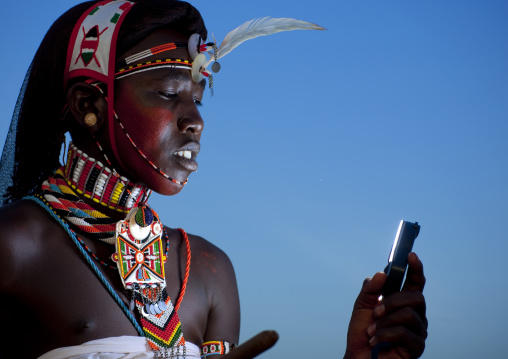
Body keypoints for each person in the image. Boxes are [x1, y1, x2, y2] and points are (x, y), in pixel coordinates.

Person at [0, 1, 427, 358]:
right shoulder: (14, 246)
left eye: (198, 99)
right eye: (169, 94)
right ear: (87, 104)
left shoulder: (208, 271)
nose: (196, 120)